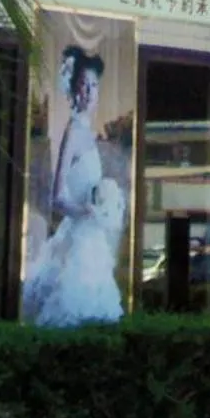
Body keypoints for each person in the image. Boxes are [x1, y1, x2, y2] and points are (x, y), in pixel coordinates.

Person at [22, 46, 125, 326]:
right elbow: (57, 197)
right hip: (79, 237)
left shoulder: (89, 133)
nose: (90, 92)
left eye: (94, 85)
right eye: (83, 85)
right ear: (73, 90)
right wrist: (87, 211)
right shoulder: (73, 132)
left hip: (91, 238)